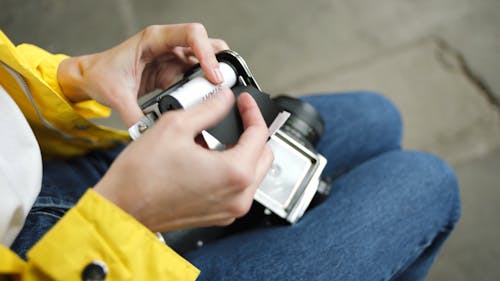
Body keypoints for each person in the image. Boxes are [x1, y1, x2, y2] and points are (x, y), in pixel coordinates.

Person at [0, 23, 460, 280]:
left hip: (54, 174)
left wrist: (74, 76)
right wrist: (122, 216)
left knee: (377, 116)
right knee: (427, 182)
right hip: (70, 264)